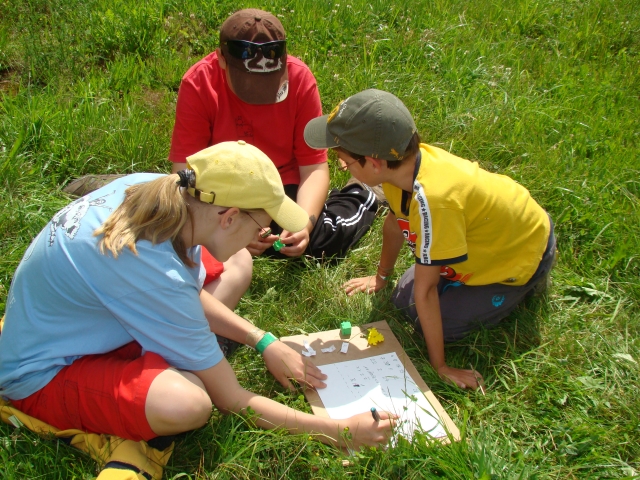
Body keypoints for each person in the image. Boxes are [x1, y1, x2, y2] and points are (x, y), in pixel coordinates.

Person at [0, 141, 394, 463]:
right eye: (260, 226)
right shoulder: (151, 273)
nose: (262, 236)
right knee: (188, 403)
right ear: (229, 217)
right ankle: (186, 358)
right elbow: (231, 400)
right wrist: (340, 430)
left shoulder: (163, 191)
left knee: (238, 263)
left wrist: (262, 340)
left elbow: (178, 291)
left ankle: (187, 351)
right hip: (41, 373)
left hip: (89, 317)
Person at [304, 89, 557, 391]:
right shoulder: (401, 170)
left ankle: (527, 283)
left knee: (433, 322)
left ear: (373, 163)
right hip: (479, 236)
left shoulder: (435, 202)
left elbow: (425, 291)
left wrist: (440, 367)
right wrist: (382, 276)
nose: (342, 166)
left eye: (344, 162)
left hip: (522, 253)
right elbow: (394, 224)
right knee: (403, 301)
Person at [168, 8, 378, 272]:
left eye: (269, 84)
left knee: (318, 242)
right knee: (187, 234)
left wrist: (305, 225)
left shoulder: (300, 79)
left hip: (279, 186)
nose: (258, 96)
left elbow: (313, 166)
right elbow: (185, 172)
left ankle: (361, 192)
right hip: (224, 188)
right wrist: (235, 236)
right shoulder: (199, 83)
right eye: (247, 85)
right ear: (221, 58)